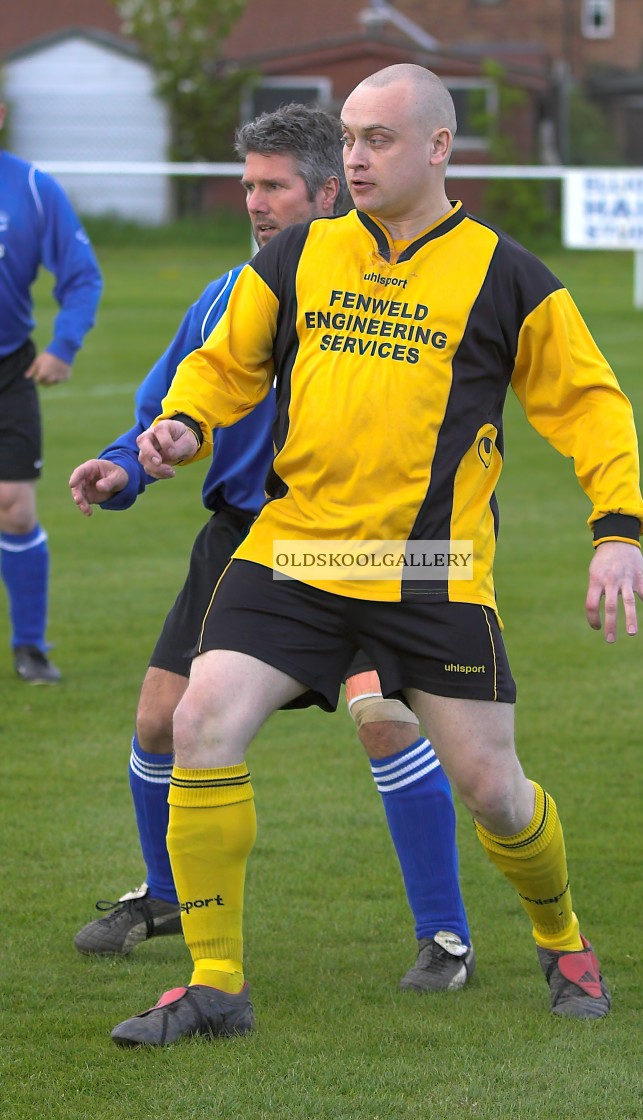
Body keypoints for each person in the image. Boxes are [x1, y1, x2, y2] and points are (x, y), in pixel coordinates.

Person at [111, 64, 643, 1047]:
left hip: (431, 573)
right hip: (294, 551)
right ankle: (215, 984)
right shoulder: (300, 255)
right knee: (199, 719)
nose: (356, 157)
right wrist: (185, 421)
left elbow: (589, 405)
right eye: (352, 138)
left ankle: (561, 936)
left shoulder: (508, 275)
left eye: (380, 140)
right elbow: (227, 357)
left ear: (441, 149)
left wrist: (616, 532)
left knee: (494, 790)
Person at [69, 104, 474, 994]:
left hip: (363, 543)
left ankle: (444, 938)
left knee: (383, 719)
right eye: (247, 184)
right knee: (161, 720)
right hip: (243, 540)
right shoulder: (225, 295)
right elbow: (160, 413)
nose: (253, 202)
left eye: (273, 186)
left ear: (328, 193)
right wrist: (119, 469)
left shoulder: (389, 299)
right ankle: (169, 895)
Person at [0, 101, 103, 684]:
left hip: (8, 369)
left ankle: (29, 646)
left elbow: (82, 273)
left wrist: (63, 345)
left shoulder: (32, 188)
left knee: (14, 507)